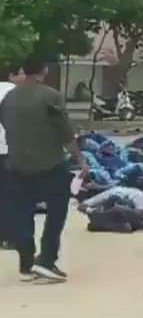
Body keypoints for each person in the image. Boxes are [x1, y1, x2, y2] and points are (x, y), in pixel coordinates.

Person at [0, 57, 89, 283]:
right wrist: (80, 160)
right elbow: (66, 133)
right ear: (44, 70)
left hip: (16, 164)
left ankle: (26, 265)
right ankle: (47, 260)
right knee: (57, 209)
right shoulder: (50, 95)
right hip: (49, 164)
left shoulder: (10, 97)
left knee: (22, 214)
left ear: (23, 71)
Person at [0, 64, 21, 249]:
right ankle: (9, 237)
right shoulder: (15, 92)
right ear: (11, 75)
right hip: (9, 150)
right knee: (10, 194)